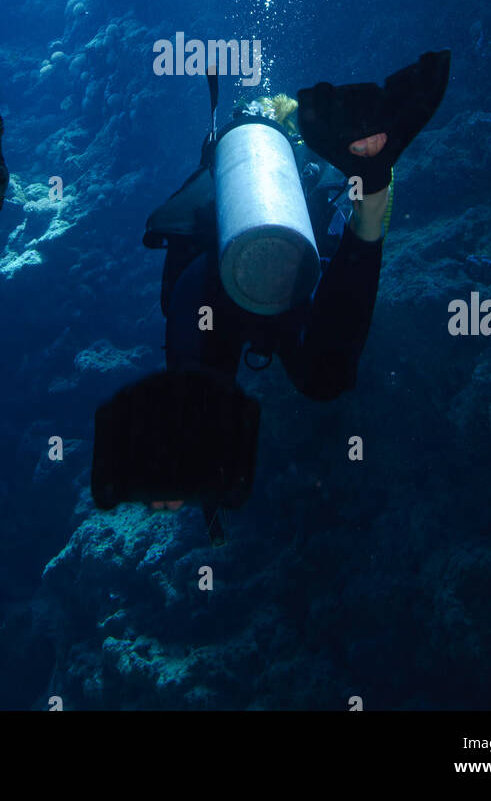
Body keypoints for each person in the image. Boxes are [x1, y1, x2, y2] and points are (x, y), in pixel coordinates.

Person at [91, 50, 451, 540]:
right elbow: (353, 253)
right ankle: (375, 178)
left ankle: (193, 476)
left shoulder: (215, 183)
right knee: (325, 377)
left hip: (211, 287)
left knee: (197, 380)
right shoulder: (312, 177)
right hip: (294, 281)